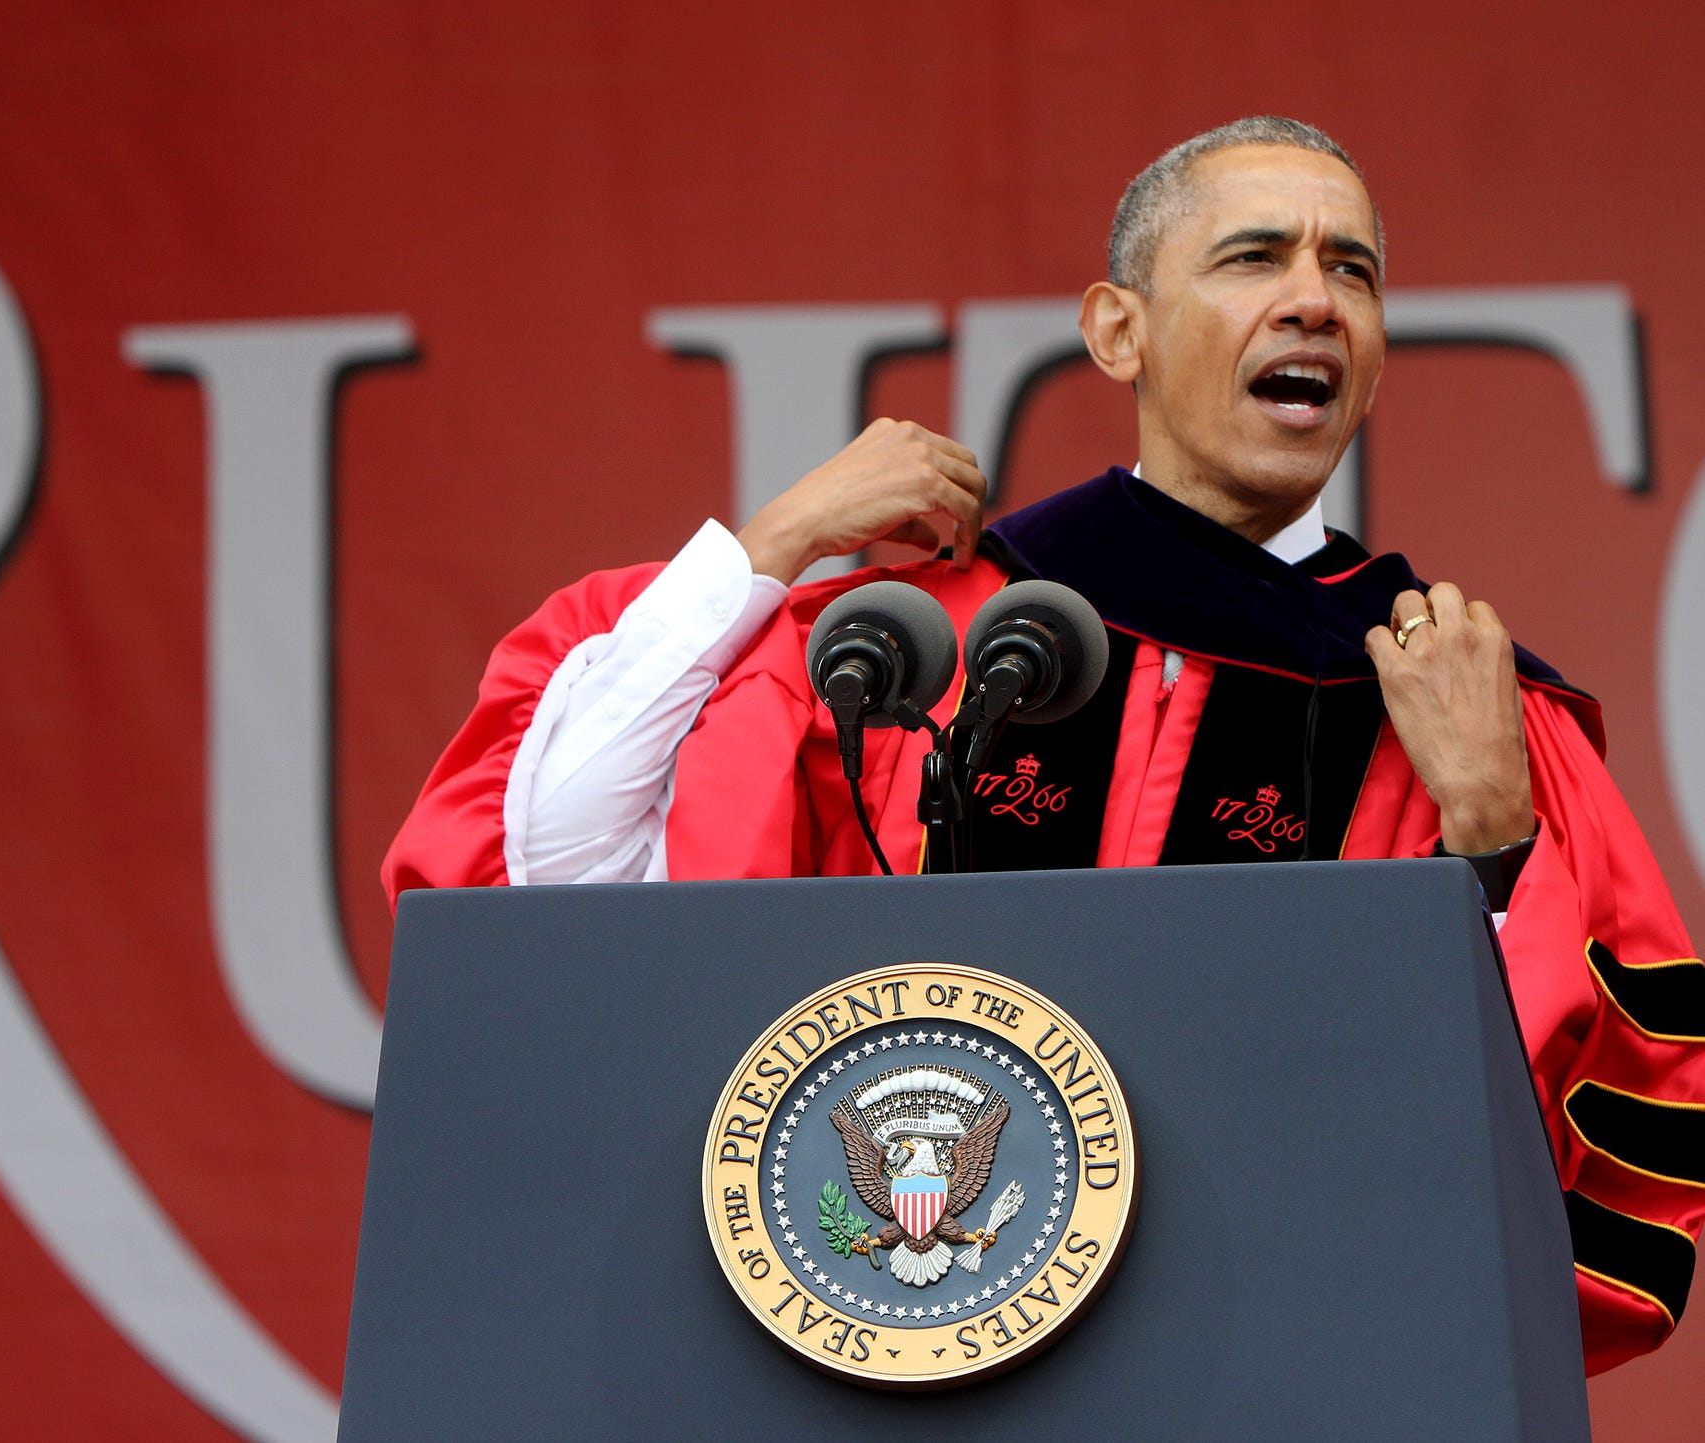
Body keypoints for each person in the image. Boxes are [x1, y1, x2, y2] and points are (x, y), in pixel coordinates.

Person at [385, 117, 1700, 1372]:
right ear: (1118, 330)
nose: (1315, 300)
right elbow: (554, 887)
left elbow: (1550, 1208)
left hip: (1267, 1376)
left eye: (1351, 271)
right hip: (883, 1352)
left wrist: (1494, 842)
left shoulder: (1458, 708)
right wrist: (776, 539)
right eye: (1254, 257)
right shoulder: (913, 645)